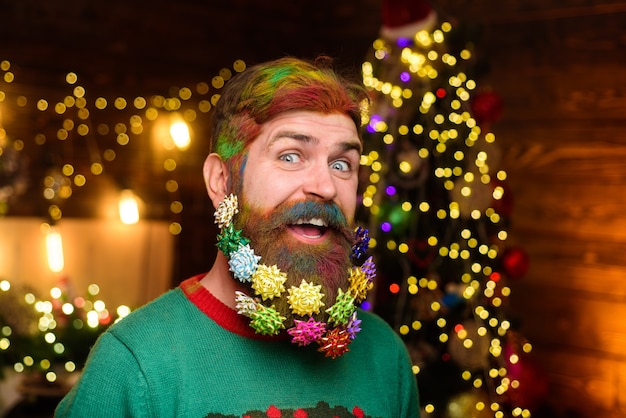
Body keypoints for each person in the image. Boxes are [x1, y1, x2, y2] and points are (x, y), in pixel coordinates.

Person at [55, 56, 419, 417]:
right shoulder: (136, 364)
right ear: (220, 180)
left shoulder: (384, 354)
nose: (325, 186)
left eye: (342, 164)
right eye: (290, 156)